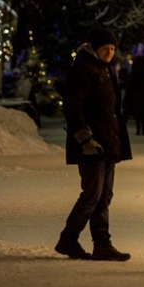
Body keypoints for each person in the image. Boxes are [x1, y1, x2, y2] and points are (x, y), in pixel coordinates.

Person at [55, 26, 132, 261]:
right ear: (94, 48)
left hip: (107, 143)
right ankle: (68, 240)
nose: (109, 53)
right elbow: (73, 106)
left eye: (112, 49)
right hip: (92, 144)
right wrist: (84, 138)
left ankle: (102, 244)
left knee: (104, 196)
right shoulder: (83, 69)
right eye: (105, 49)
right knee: (92, 195)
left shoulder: (104, 69)